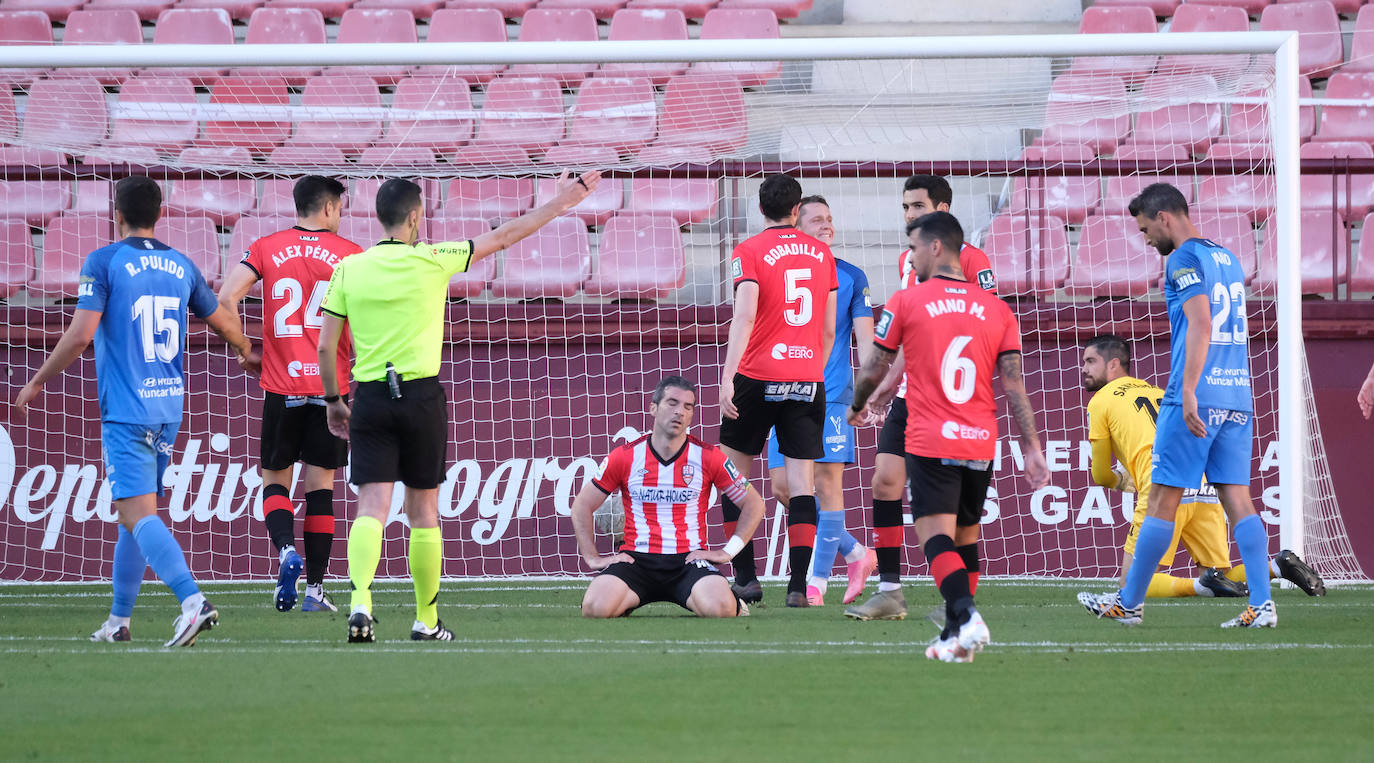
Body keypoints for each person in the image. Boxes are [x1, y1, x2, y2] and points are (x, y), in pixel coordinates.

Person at [318, 170, 600, 643]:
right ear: (414, 217)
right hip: (421, 396)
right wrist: (562, 201)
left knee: (371, 506)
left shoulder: (350, 267)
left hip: (367, 395)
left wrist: (332, 400)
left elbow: (327, 348)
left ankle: (360, 603)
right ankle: (425, 620)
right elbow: (506, 235)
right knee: (423, 510)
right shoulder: (434, 258)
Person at [14, 176, 260, 647]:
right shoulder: (180, 263)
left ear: (117, 213)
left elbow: (82, 334)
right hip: (168, 407)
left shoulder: (105, 261)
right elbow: (221, 318)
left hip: (128, 409)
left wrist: (39, 379)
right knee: (133, 513)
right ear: (160, 213)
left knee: (135, 511)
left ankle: (193, 602)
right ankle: (119, 621)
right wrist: (247, 349)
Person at [847, 211, 1049, 662]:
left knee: (933, 536)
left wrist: (858, 405)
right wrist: (1032, 447)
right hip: (980, 438)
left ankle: (964, 615)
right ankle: (956, 638)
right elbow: (1014, 385)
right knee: (966, 538)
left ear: (936, 247)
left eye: (915, 246)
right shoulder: (997, 309)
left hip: (930, 435)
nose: (911, 256)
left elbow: (876, 365)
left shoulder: (907, 301)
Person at [1079, 182, 1279, 628]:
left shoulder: (1182, 258)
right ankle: (1263, 604)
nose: (1147, 239)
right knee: (1238, 499)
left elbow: (1202, 323)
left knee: (1162, 501)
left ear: (1165, 217)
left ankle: (1128, 604)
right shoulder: (1225, 256)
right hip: (1237, 393)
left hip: (1197, 395)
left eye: (1147, 228)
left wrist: (1188, 390)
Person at [845, 174, 998, 622]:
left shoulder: (974, 260)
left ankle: (960, 608)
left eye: (918, 206)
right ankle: (890, 591)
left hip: (955, 401)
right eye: (906, 207)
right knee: (884, 482)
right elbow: (910, 334)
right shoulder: (905, 262)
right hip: (913, 395)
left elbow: (984, 326)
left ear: (943, 209)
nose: (910, 215)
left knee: (959, 523)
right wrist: (889, 384)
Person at [1081, 334, 1324, 599]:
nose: (1083, 369)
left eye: (1091, 361)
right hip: (1201, 482)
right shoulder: (1160, 392)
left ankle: (1200, 587)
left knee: (1130, 583)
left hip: (1163, 486)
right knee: (1219, 573)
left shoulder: (1101, 400)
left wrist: (1121, 481)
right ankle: (1279, 566)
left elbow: (1101, 475)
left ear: (1114, 364)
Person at [217, 176, 362, 613]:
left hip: (281, 386)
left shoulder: (265, 246)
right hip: (329, 387)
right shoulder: (351, 254)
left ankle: (285, 553)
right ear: (331, 208)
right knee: (321, 488)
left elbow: (224, 298)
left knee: (275, 479)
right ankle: (316, 591)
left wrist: (246, 350)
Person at [717, 174, 838, 608]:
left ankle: (746, 578)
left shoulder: (748, 251)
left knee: (733, 479)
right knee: (803, 484)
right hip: (806, 377)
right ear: (796, 209)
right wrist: (809, 370)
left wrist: (728, 376)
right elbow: (828, 328)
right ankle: (798, 586)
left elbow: (745, 315)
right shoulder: (823, 254)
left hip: (755, 375)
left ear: (761, 209)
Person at [757, 195, 877, 607]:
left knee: (825, 487)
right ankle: (857, 554)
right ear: (795, 223)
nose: (827, 225)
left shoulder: (851, 276)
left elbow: (865, 339)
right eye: (816, 219)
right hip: (783, 390)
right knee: (785, 489)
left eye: (830, 218)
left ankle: (815, 585)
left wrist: (864, 392)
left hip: (831, 395)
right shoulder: (776, 269)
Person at [570, 376, 766, 618]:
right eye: (672, 403)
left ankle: (732, 601)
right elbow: (582, 505)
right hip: (636, 562)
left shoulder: (708, 457)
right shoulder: (625, 457)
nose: (680, 412)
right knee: (595, 609)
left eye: (688, 406)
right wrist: (591, 557)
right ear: (653, 408)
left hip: (688, 562)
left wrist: (727, 552)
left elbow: (754, 504)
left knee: (720, 609)